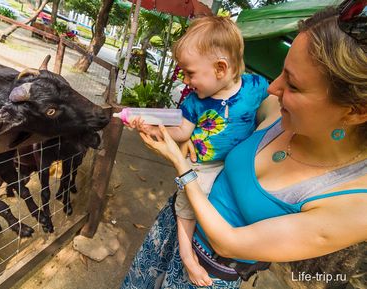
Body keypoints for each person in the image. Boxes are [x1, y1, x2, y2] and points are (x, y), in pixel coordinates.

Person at [121, 3, 367, 289]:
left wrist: (181, 164)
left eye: (294, 86)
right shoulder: (277, 110)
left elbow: (227, 243)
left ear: (356, 111)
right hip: (172, 227)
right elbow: (218, 112)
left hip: (207, 273)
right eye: (282, 71)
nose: (273, 87)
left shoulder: (354, 204)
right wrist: (186, 134)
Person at [129, 15, 271, 286]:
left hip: (235, 166)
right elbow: (182, 131)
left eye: (190, 73)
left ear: (220, 68)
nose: (185, 80)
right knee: (187, 207)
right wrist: (151, 128)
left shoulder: (255, 87)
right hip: (204, 167)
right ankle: (187, 256)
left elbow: (275, 99)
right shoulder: (195, 102)